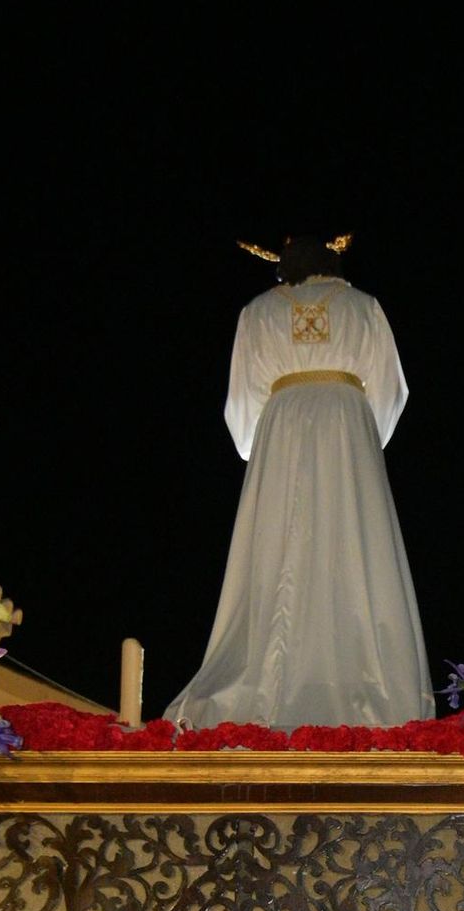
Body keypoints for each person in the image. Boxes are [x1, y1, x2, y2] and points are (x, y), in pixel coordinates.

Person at [166, 232, 431, 731]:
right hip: (348, 429)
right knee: (352, 544)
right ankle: (369, 685)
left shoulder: (258, 312)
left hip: (282, 430)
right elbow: (390, 390)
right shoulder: (365, 306)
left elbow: (242, 399)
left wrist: (257, 448)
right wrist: (361, 442)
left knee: (277, 548)